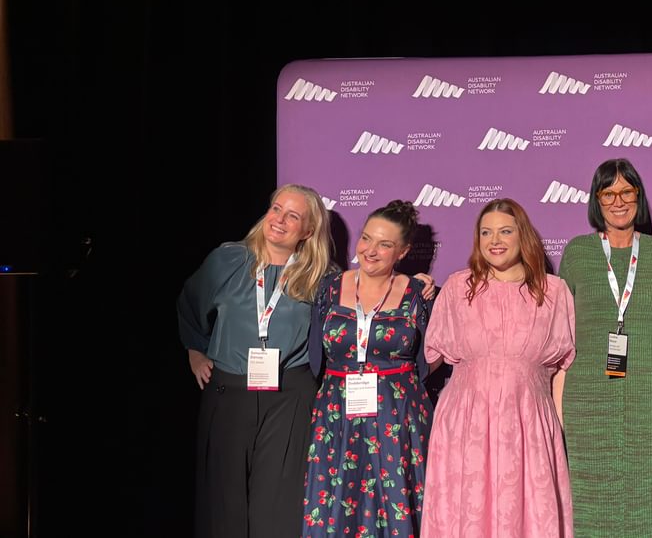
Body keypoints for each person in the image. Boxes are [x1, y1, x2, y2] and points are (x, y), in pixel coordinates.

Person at [178, 183, 333, 538]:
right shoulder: (228, 260)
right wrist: (195, 350)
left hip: (289, 397)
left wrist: (413, 284)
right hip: (229, 390)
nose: (279, 220)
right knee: (223, 503)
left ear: (308, 231)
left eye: (292, 216)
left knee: (277, 506)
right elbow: (190, 304)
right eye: (276, 209)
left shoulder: (320, 276)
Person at [423, 198, 576, 537]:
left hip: (529, 422)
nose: (495, 240)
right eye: (486, 232)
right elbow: (429, 358)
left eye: (505, 231)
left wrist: (559, 428)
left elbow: (563, 367)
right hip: (465, 423)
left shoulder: (554, 291)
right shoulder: (458, 288)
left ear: (523, 236)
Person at [558, 158, 652, 537]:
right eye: (608, 193)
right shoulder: (577, 252)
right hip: (587, 398)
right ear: (596, 200)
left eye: (627, 192)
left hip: (650, 395)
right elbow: (558, 328)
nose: (618, 201)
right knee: (589, 498)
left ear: (638, 196)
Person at [301, 200, 434, 537]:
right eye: (366, 238)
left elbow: (434, 356)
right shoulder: (329, 288)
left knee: (395, 502)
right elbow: (315, 354)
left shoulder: (418, 293)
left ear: (403, 251)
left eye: (384, 244)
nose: (370, 251)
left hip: (397, 416)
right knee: (337, 500)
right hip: (337, 414)